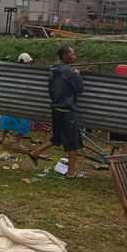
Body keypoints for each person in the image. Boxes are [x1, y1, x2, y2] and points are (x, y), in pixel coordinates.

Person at [29, 46, 86, 179]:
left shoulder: (53, 70)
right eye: (73, 54)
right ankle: (71, 171)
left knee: (58, 137)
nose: (75, 56)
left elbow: (50, 90)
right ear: (66, 56)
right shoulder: (70, 72)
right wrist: (77, 75)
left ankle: (35, 152)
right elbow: (80, 88)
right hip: (66, 110)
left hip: (56, 108)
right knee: (73, 141)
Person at [0, 53, 33, 148]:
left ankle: (3, 138)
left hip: (11, 99)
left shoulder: (13, 71)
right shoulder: (29, 74)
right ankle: (17, 142)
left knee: (7, 117)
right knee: (24, 120)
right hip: (23, 101)